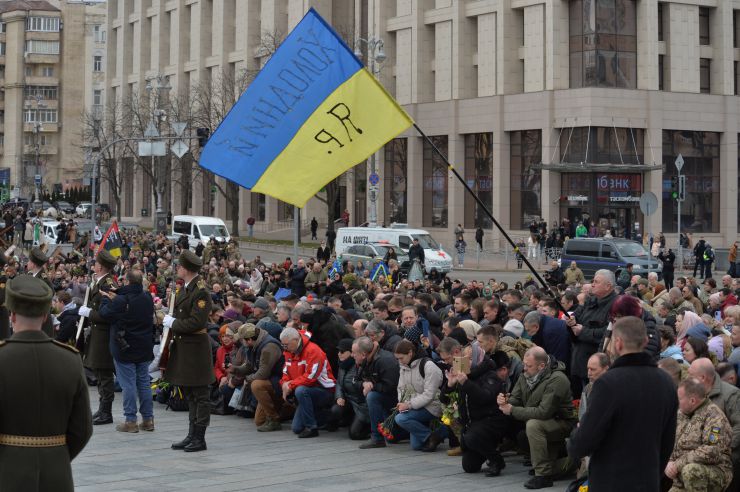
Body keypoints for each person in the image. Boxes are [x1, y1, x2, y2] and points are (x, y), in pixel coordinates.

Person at [0, 275, 93, 491]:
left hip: (7, 473)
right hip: (56, 472)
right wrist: (55, 456)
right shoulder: (70, 359)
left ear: (12, 315)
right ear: (45, 316)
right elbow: (82, 429)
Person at [568, 316, 678, 492]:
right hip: (647, 480)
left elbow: (583, 442)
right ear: (644, 341)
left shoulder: (608, 383)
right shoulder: (666, 382)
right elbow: (668, 441)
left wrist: (576, 434)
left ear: (617, 343)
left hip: (611, 482)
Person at [497, 346, 576, 489]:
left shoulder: (558, 379)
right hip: (545, 421)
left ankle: (543, 476)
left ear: (541, 366)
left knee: (533, 425)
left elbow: (543, 412)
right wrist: (505, 401)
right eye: (524, 364)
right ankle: (551, 463)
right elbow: (516, 398)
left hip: (562, 423)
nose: (524, 368)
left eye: (529, 365)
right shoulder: (525, 376)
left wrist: (512, 410)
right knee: (523, 434)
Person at [163, 250, 214, 452]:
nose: (177, 269)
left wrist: (174, 322)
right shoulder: (186, 288)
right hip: (185, 348)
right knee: (191, 394)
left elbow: (196, 321)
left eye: (179, 266)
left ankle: (199, 437)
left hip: (195, 350)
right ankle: (191, 434)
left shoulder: (200, 291)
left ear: (185, 269)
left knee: (200, 395)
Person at [439, 337, 509, 475]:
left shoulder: (489, 374)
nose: (465, 363)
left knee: (472, 437)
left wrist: (466, 383)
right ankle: (486, 450)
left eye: (468, 359)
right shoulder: (465, 374)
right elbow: (443, 399)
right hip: (472, 423)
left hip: (491, 421)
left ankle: (496, 460)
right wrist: (449, 385)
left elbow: (484, 397)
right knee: (469, 466)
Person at [98, 269, 155, 433]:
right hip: (143, 346)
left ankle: (131, 420)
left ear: (128, 282)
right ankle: (148, 419)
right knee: (143, 383)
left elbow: (105, 314)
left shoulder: (122, 299)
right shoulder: (147, 297)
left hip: (125, 347)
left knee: (128, 384)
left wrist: (105, 299)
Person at [665, 378, 733, 492]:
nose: (676, 402)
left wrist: (678, 464)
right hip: (681, 477)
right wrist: (669, 462)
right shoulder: (681, 414)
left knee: (690, 470)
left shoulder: (715, 417)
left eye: (679, 399)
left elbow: (711, 451)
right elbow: (671, 441)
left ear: (692, 401)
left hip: (713, 472)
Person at [77, 249, 119, 425]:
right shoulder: (99, 282)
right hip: (97, 335)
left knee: (104, 373)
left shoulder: (107, 285)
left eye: (95, 263)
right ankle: (102, 408)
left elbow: (107, 315)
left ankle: (106, 411)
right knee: (100, 373)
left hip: (104, 336)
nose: (93, 265)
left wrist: (89, 313)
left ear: (100, 266)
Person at [567, 269, 618, 396]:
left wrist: (583, 331)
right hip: (578, 360)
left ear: (608, 286)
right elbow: (575, 317)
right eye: (593, 281)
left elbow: (608, 333)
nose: (593, 284)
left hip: (596, 364)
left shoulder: (616, 305)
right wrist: (571, 322)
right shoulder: (590, 300)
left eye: (596, 282)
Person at [279, 326, 336, 438]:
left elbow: (311, 378)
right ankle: (327, 417)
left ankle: (312, 427)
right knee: (296, 428)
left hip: (324, 390)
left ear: (296, 340)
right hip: (305, 389)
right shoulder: (289, 351)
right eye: (283, 345)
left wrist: (290, 385)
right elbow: (285, 372)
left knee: (301, 391)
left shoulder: (313, 351)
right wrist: (284, 384)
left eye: (286, 345)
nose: (284, 348)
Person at [393, 339, 446, 451]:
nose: (400, 361)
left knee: (401, 419)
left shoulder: (428, 365)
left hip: (433, 406)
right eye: (397, 358)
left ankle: (441, 432)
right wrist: (403, 403)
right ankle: (432, 435)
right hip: (416, 405)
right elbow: (401, 388)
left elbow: (429, 395)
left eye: (401, 358)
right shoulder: (403, 365)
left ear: (410, 353)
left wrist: (408, 405)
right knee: (416, 446)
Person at [231, 323, 285, 431]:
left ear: (249, 339)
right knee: (259, 421)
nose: (241, 342)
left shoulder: (269, 346)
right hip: (269, 381)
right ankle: (282, 411)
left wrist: (247, 379)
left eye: (242, 339)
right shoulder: (253, 345)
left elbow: (263, 373)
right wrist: (235, 369)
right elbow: (249, 366)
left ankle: (274, 419)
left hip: (278, 381)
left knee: (256, 385)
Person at [354, 335, 400, 449]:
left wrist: (372, 386)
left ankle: (377, 438)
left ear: (364, 354)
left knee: (372, 396)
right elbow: (354, 380)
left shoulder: (385, 361)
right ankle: (384, 433)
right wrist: (364, 384)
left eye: (354, 352)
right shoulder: (363, 361)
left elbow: (391, 387)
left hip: (396, 402)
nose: (352, 355)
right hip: (384, 402)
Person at [330, 338, 369, 440]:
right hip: (348, 400)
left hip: (360, 404)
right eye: (338, 351)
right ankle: (349, 420)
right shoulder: (342, 365)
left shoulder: (359, 365)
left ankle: (367, 427)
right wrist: (339, 397)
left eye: (342, 351)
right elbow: (339, 383)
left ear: (351, 352)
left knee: (354, 434)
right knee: (335, 410)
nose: (339, 354)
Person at [26, 247, 54, 337]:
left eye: (29, 261)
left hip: (41, 319)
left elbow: (51, 293)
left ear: (33, 264)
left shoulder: (43, 279)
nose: (27, 263)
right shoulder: (31, 276)